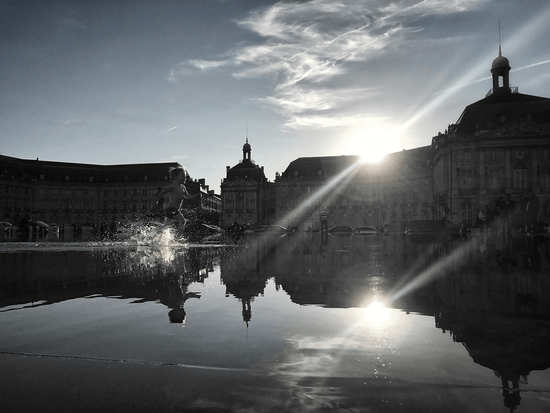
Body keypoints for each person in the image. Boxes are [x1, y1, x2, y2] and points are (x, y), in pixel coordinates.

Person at [153, 167, 199, 233]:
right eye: (183, 176)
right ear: (176, 177)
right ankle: (179, 237)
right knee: (182, 221)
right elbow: (163, 191)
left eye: (185, 176)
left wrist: (195, 196)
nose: (185, 178)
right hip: (171, 209)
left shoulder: (183, 187)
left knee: (166, 226)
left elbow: (187, 196)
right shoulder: (173, 186)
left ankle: (156, 234)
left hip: (175, 209)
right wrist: (156, 200)